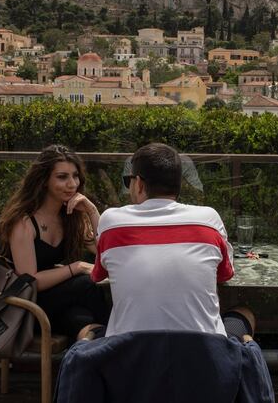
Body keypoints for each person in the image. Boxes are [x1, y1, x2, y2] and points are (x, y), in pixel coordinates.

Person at [90, 142, 254, 340]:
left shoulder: (111, 222)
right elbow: (224, 275)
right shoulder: (209, 220)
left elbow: (98, 275)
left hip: (131, 359)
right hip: (205, 359)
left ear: (139, 184)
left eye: (128, 181)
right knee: (244, 314)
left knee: (89, 329)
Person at [0, 145, 109, 339]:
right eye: (62, 177)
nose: (72, 184)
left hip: (54, 304)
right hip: (22, 305)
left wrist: (92, 211)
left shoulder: (70, 216)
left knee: (81, 320)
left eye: (75, 176)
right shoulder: (24, 221)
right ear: (44, 180)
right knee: (88, 284)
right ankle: (119, 345)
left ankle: (96, 352)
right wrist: (76, 267)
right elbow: (29, 282)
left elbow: (104, 252)